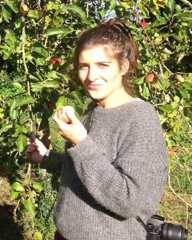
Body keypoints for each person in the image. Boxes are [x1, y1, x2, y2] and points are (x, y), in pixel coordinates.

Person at [25, 18, 169, 240]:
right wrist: (46, 157)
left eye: (103, 65)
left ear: (124, 66)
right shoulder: (93, 110)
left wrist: (82, 144)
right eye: (84, 66)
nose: (91, 77)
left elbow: (129, 201)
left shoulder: (140, 119)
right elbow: (86, 171)